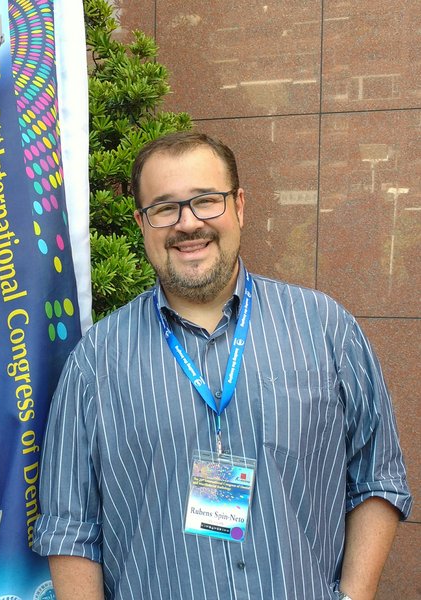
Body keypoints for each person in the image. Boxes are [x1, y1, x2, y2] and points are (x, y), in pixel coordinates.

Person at [32, 131, 412, 600]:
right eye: (164, 208)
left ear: (239, 206)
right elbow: (70, 527)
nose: (188, 223)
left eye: (207, 201)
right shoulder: (95, 361)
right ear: (141, 223)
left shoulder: (325, 328)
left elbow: (378, 477)